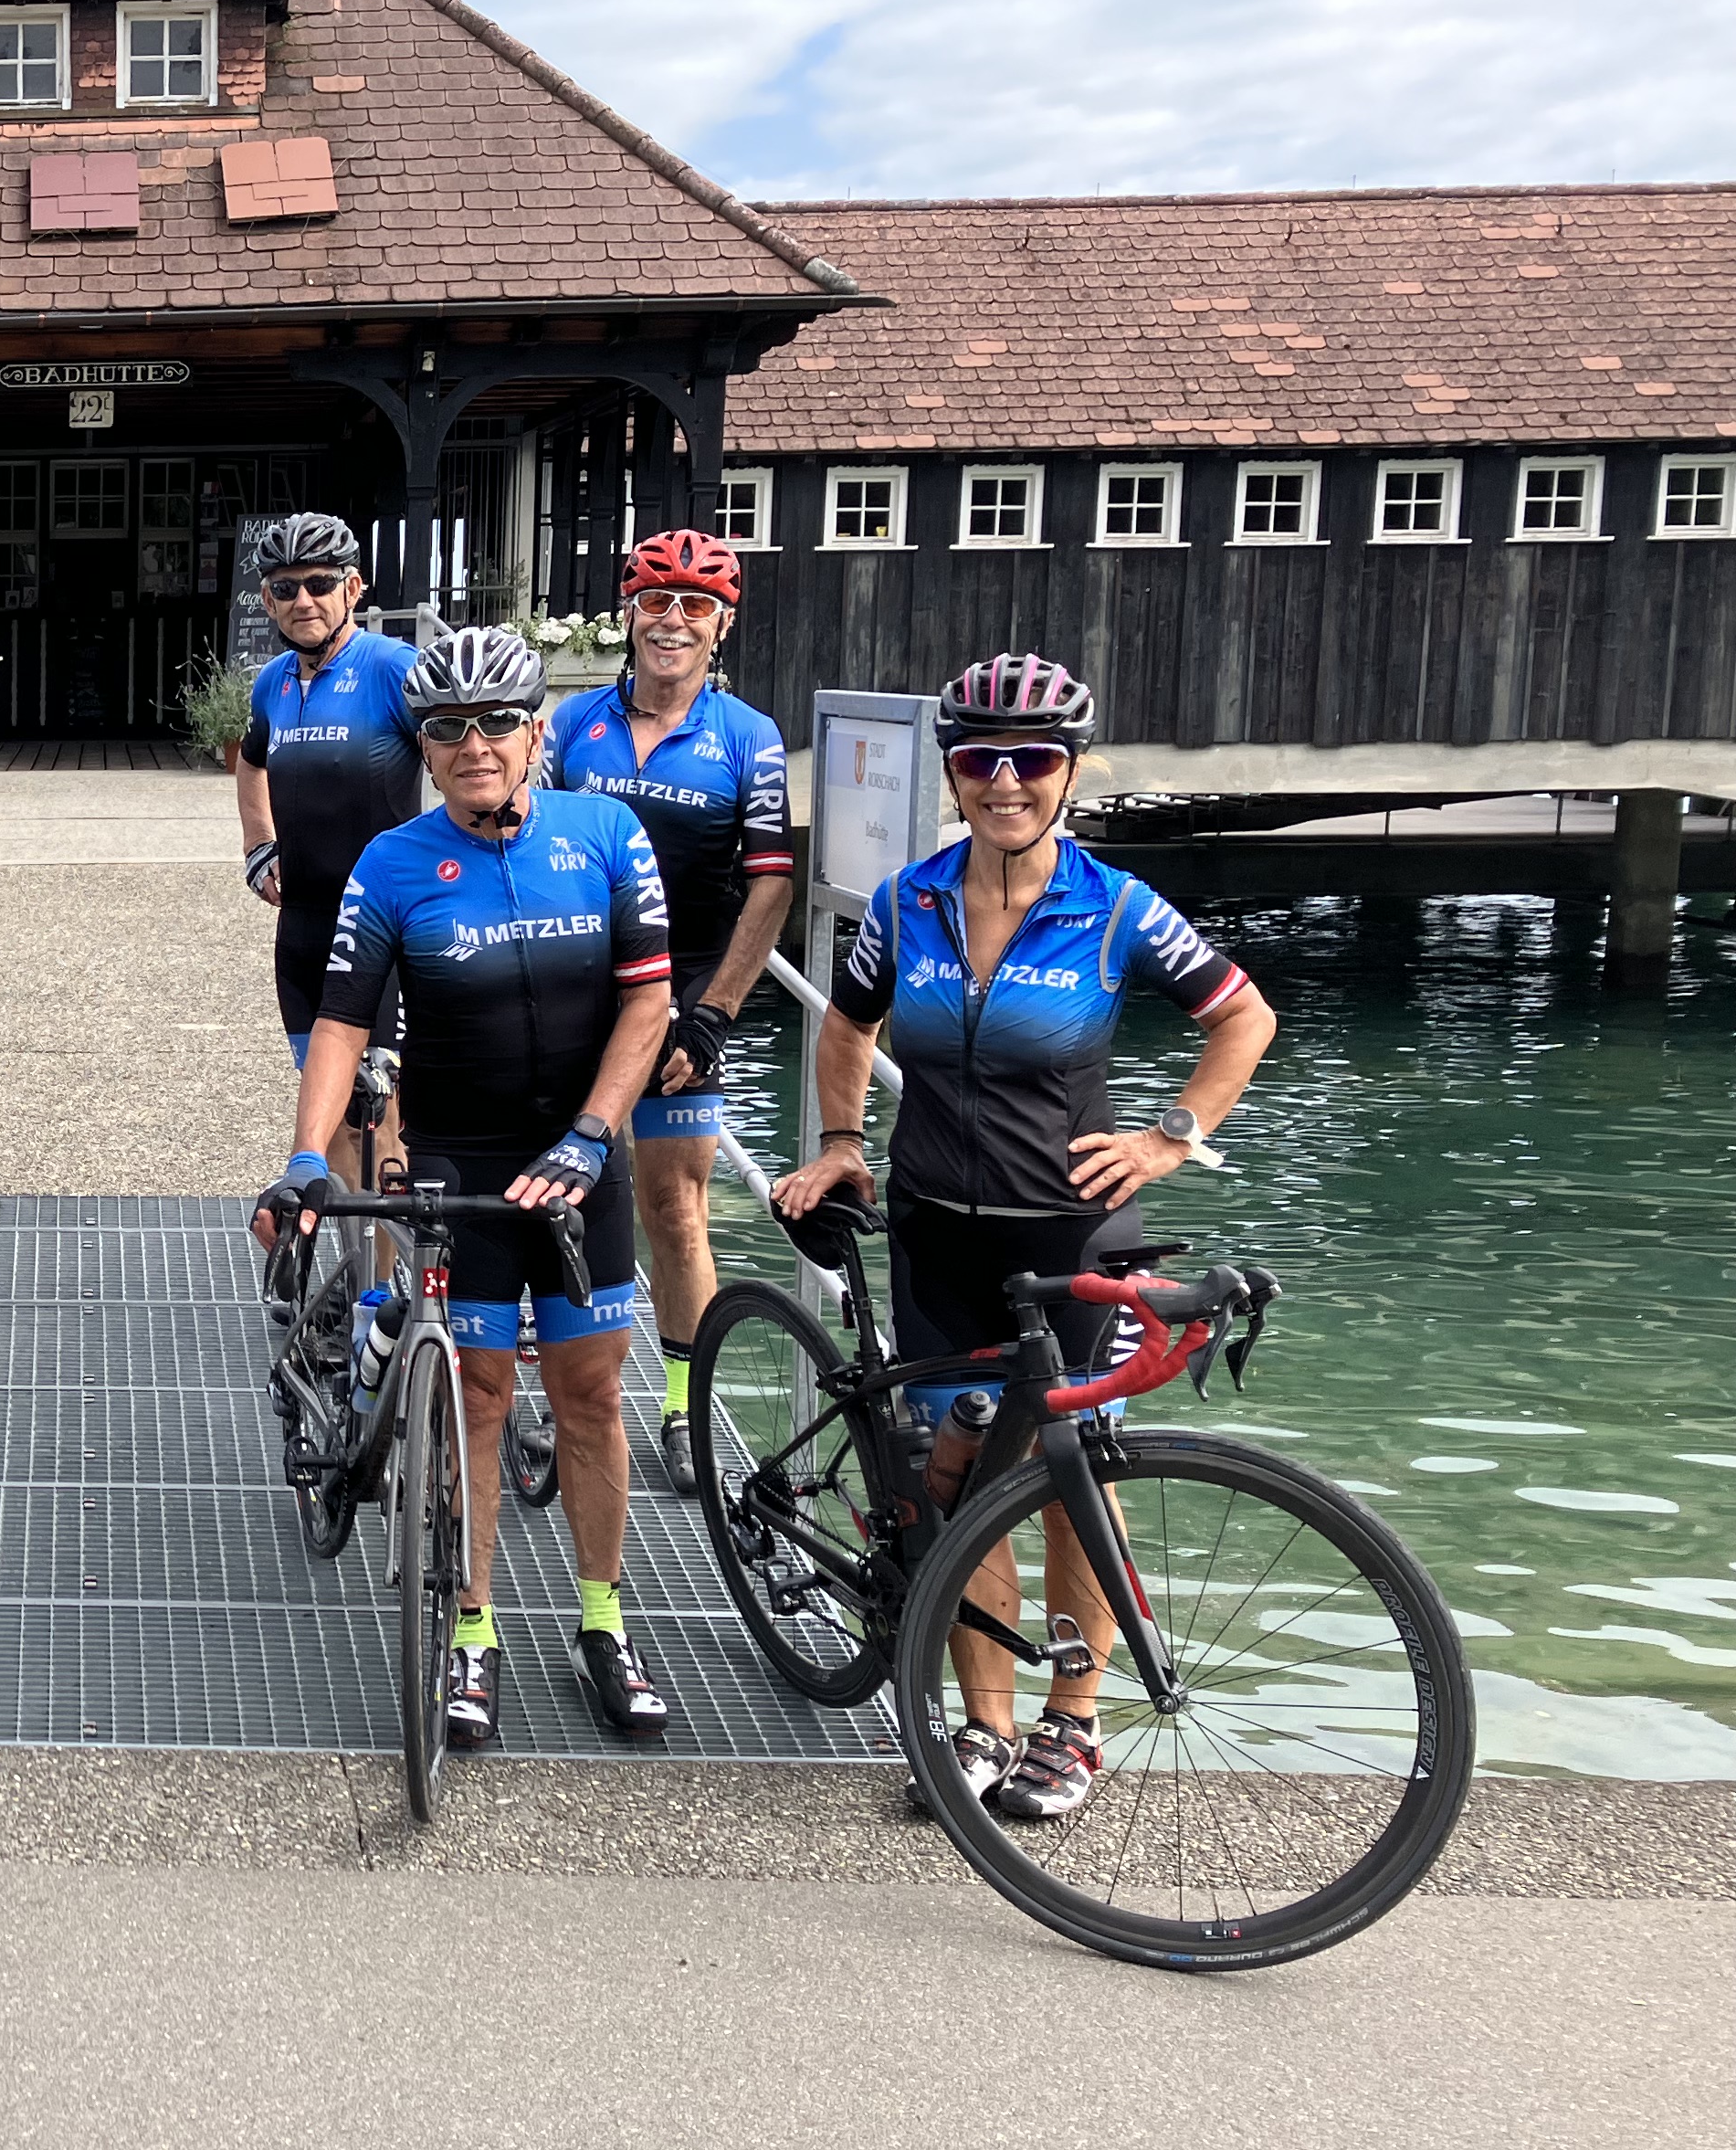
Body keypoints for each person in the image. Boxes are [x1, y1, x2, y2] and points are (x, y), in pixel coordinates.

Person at [770, 653, 1278, 1823]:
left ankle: (1074, 1721)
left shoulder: (1118, 908)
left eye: (1033, 758)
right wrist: (842, 1141)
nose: (1005, 780)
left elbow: (1244, 1017)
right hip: (934, 1233)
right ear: (952, 773)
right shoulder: (907, 901)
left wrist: (1170, 1138)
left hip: (1072, 1240)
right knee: (958, 1473)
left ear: (1071, 771)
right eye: (979, 760)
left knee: (1069, 1476)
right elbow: (847, 1026)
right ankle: (984, 1724)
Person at [254, 626, 679, 1746]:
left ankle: (603, 1620)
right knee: (478, 1395)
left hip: (583, 1156)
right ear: (425, 746)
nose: (475, 744)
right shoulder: (392, 863)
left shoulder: (606, 834)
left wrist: (592, 1135)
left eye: (497, 723)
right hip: (460, 1160)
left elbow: (649, 1003)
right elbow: (342, 1023)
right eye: (448, 728)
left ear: (537, 732)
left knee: (591, 1395)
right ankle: (473, 1628)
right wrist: (307, 1157)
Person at [546, 528, 796, 1497]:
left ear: (722, 625)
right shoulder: (571, 724)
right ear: (629, 614)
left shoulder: (749, 738)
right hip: (575, 981)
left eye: (697, 605)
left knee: (675, 1208)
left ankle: (685, 1402)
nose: (674, 621)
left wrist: (714, 1015)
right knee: (554, 1188)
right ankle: (555, 1385)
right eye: (657, 601)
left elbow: (770, 887)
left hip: (686, 988)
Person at [230, 513, 425, 1190]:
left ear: (354, 588)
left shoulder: (394, 668)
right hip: (305, 930)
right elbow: (251, 761)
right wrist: (259, 846)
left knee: (382, 1115)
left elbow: (465, 758)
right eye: (286, 589)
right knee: (333, 1114)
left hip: (384, 931)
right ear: (267, 600)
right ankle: (352, 1254)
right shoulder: (273, 682)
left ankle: (392, 1259)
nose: (303, 601)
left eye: (319, 584)